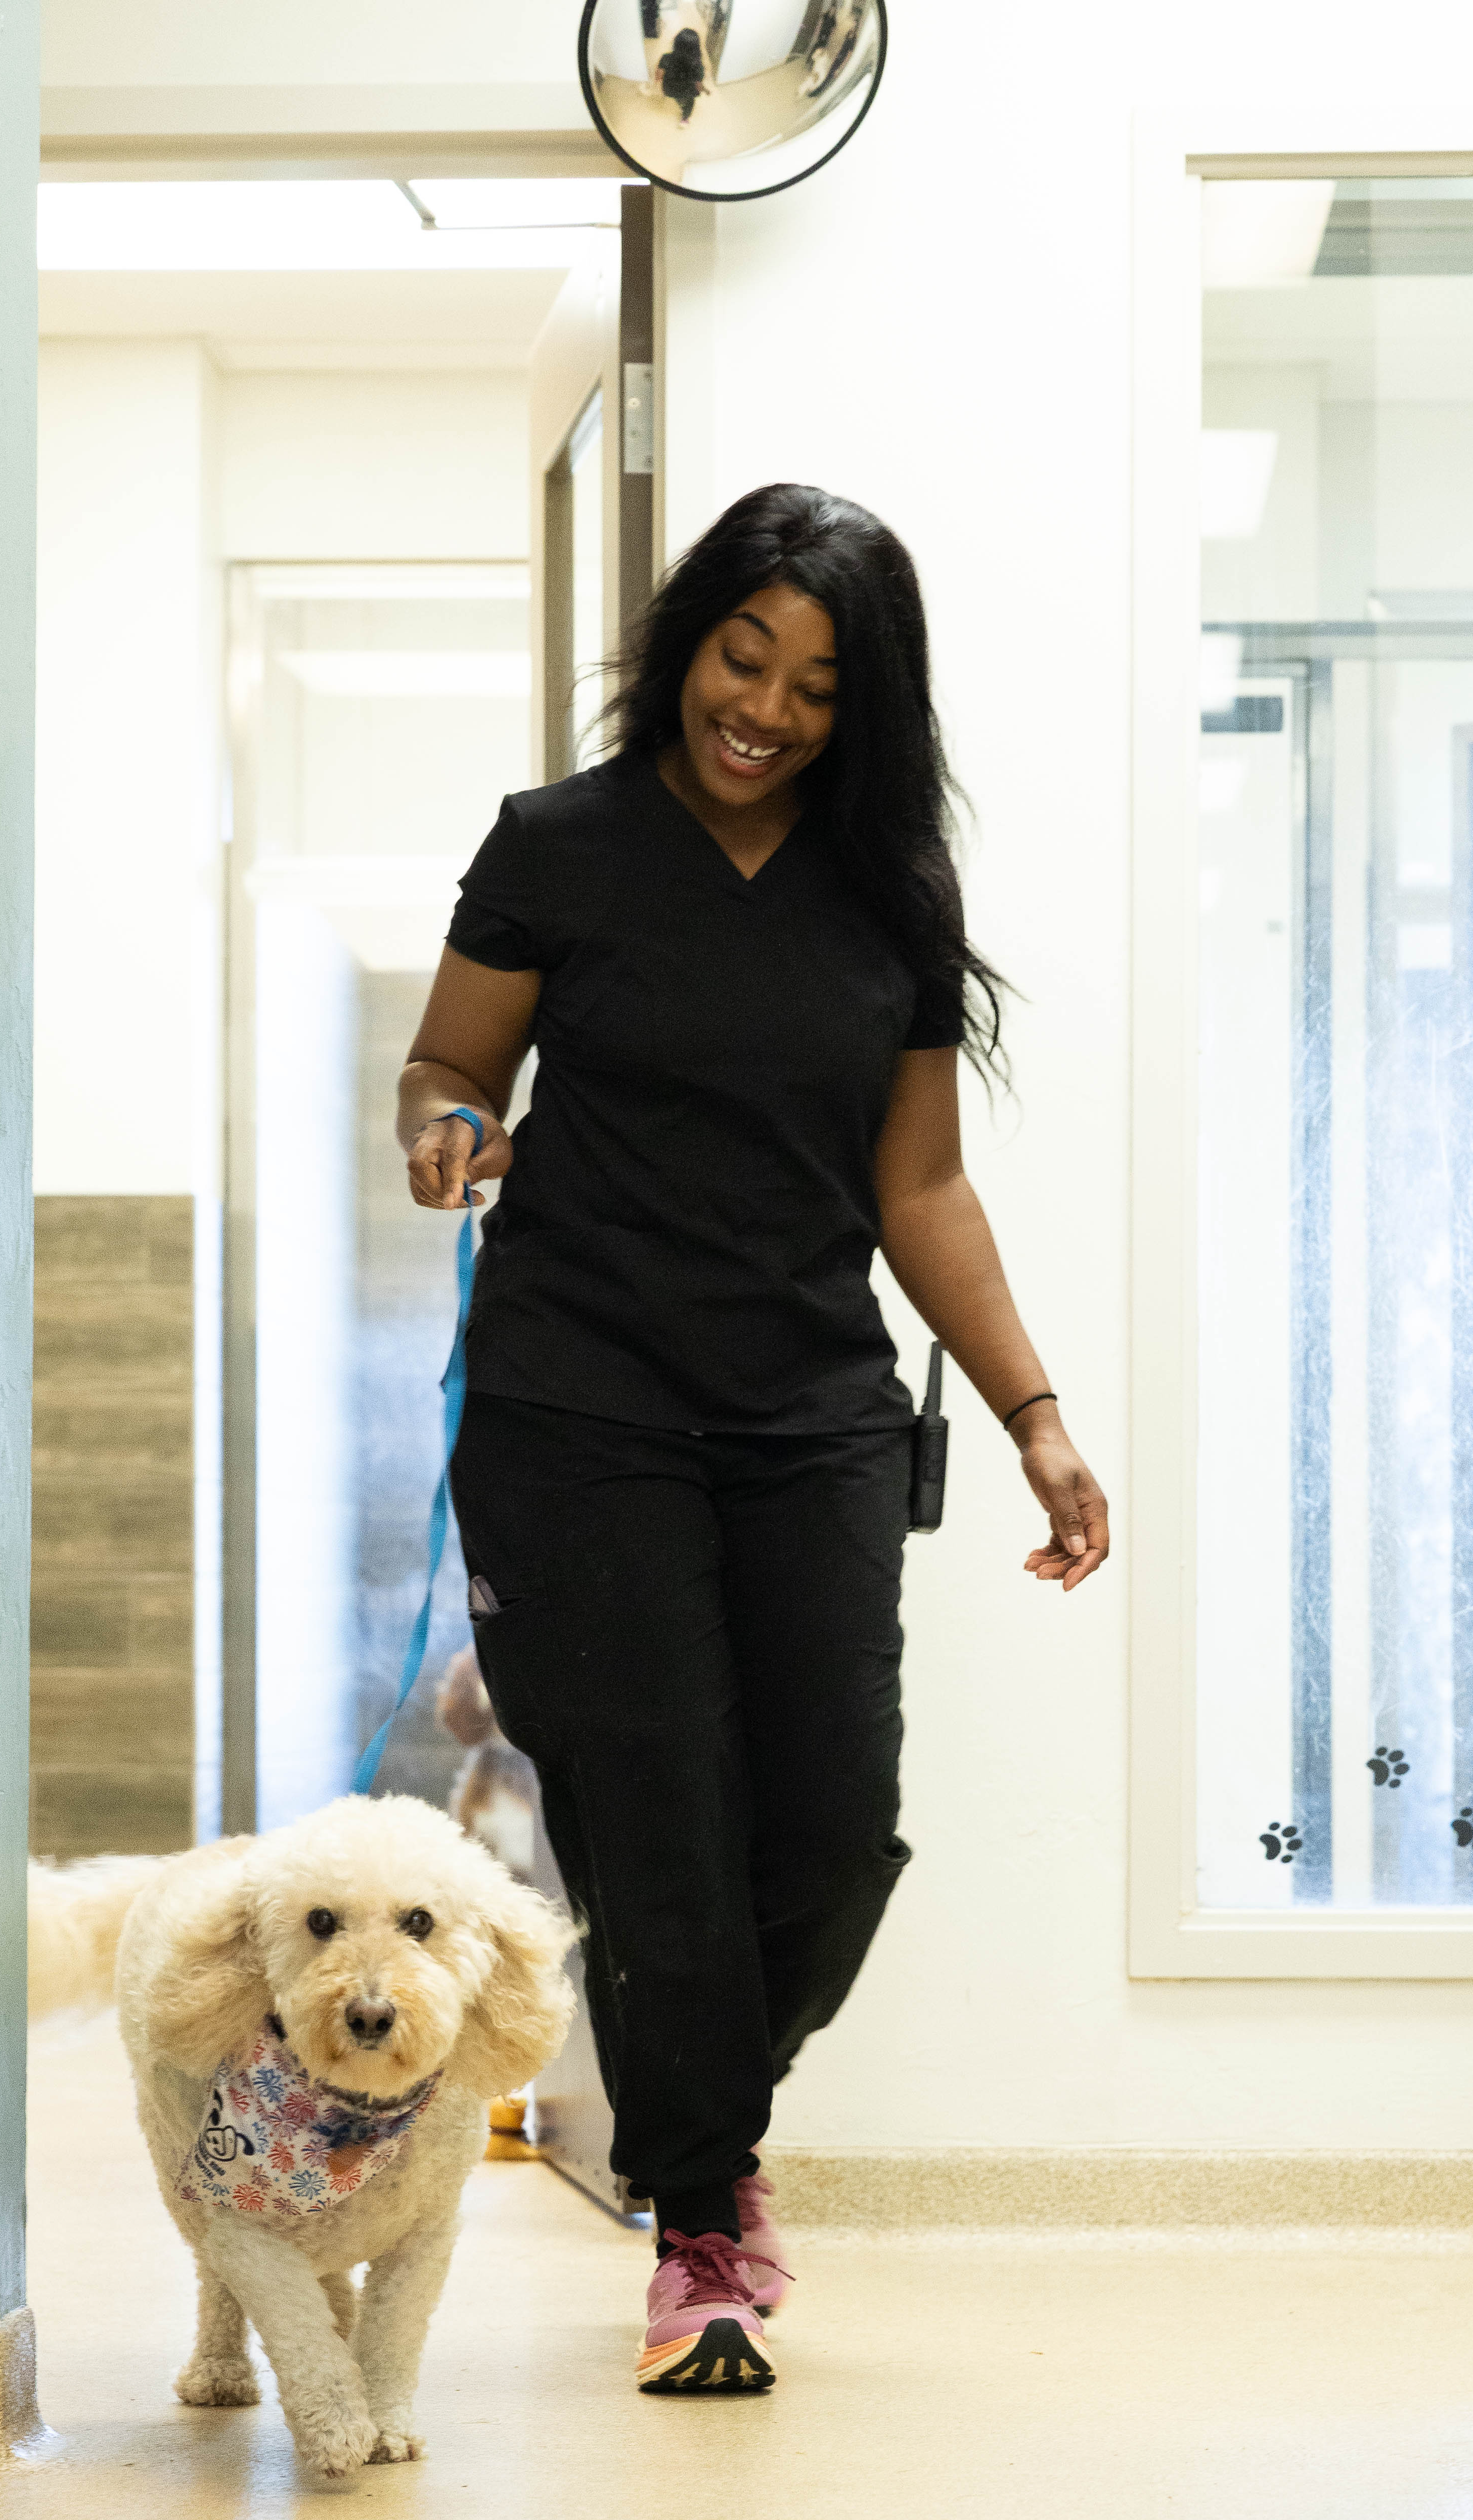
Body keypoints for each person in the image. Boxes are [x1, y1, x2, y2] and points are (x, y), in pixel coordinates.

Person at [396, 484, 1108, 2397]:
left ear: (860, 707)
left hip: (808, 1419)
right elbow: (452, 1064)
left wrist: (1035, 1415)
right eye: (742, 657)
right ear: (685, 639)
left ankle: (698, 2081)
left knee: (825, 1830)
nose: (766, 710)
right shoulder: (558, 848)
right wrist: (445, 1125)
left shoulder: (887, 896)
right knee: (662, 1823)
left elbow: (925, 1188)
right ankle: (702, 2217)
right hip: (577, 1414)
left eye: (812, 684)